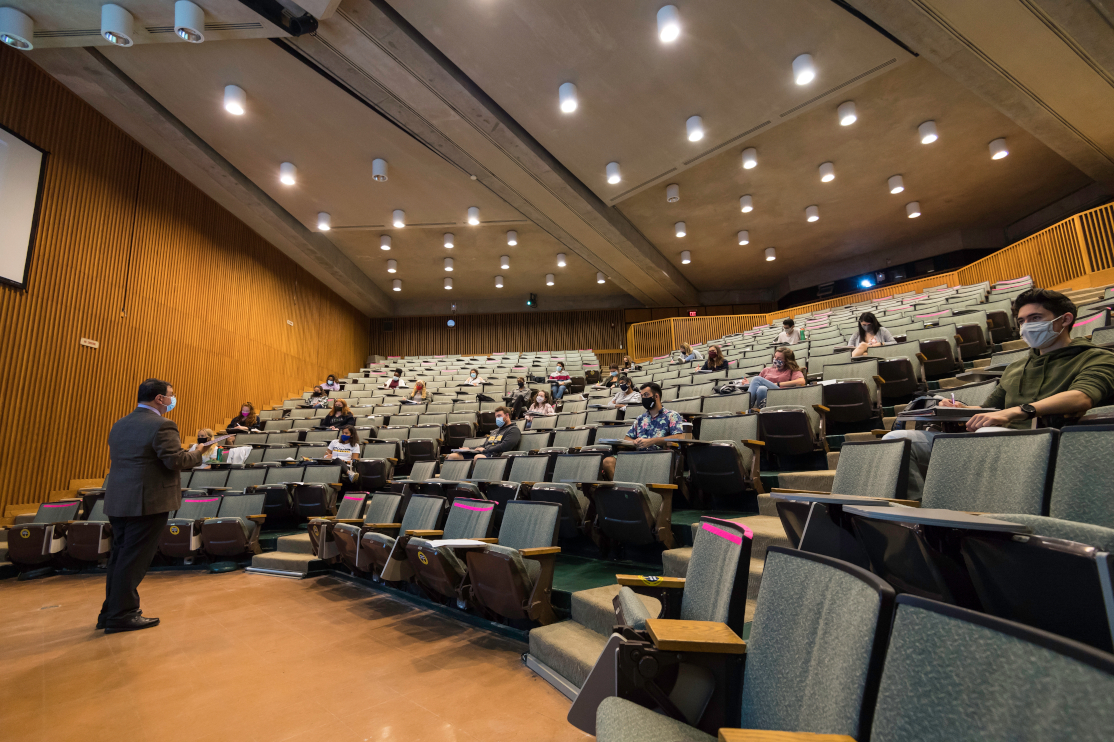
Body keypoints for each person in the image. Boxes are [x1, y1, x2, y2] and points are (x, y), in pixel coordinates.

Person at [885, 287, 1114, 499]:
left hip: (1048, 444)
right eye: (1022, 321)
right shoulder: (1016, 367)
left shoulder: (1096, 357)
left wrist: (1020, 411)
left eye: (1035, 318)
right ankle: (922, 514)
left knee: (988, 433)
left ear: (1065, 320)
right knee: (898, 440)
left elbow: (1082, 395)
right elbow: (992, 409)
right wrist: (961, 409)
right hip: (995, 437)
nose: (1026, 326)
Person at [99, 378, 213, 633]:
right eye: (171, 395)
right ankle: (122, 615)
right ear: (160, 399)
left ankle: (109, 612)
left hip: (119, 499)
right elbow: (175, 461)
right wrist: (199, 452)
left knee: (120, 557)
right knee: (134, 560)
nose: (173, 399)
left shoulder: (120, 423)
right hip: (146, 502)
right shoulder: (162, 425)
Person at [601, 382, 686, 479]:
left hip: (660, 458)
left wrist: (651, 441)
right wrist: (635, 441)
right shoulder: (640, 419)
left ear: (656, 396)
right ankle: (623, 490)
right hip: (637, 456)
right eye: (642, 396)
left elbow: (679, 437)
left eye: (646, 395)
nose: (644, 399)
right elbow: (627, 438)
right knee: (608, 462)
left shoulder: (672, 415)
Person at [445, 407, 520, 460]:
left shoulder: (513, 430)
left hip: (497, 456)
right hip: (486, 453)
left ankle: (477, 482)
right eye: (496, 417)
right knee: (453, 456)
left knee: (478, 457)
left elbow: (505, 446)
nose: (497, 419)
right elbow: (484, 445)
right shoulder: (495, 431)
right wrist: (469, 449)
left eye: (499, 416)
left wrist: (484, 450)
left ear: (507, 415)